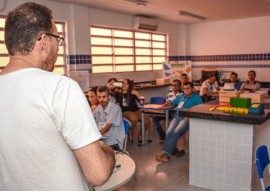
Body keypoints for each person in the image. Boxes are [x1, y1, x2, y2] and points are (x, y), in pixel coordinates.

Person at [0, 3, 115, 191]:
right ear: (44, 41)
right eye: (57, 39)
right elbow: (98, 173)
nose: (58, 48)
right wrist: (108, 151)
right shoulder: (61, 87)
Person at [155, 82, 203, 162]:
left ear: (192, 89)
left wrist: (190, 115)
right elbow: (172, 103)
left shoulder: (197, 98)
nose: (186, 90)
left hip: (187, 118)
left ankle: (165, 153)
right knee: (169, 132)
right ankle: (166, 153)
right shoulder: (181, 96)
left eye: (188, 88)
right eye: (184, 88)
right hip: (177, 117)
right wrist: (166, 104)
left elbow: (201, 109)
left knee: (176, 132)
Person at [115, 78, 151, 143]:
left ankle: (140, 135)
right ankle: (131, 135)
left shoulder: (132, 92)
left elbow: (142, 102)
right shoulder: (118, 93)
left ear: (130, 85)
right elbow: (112, 85)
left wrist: (137, 94)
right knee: (134, 119)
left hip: (135, 110)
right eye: (123, 83)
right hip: (125, 111)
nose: (124, 85)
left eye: (126, 84)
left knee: (147, 120)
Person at [93, 86, 125, 151]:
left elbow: (107, 127)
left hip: (113, 142)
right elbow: (90, 120)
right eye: (99, 97)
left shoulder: (115, 108)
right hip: (102, 140)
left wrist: (95, 136)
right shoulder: (99, 108)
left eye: (104, 97)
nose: (101, 100)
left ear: (109, 97)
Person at [152, 79, 181, 143]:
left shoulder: (182, 94)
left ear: (179, 86)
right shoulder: (170, 92)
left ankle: (172, 138)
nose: (174, 87)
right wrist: (165, 105)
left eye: (175, 86)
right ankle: (163, 137)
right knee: (155, 118)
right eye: (172, 85)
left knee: (175, 120)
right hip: (167, 111)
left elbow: (179, 104)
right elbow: (167, 101)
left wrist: (169, 104)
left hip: (176, 112)